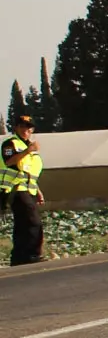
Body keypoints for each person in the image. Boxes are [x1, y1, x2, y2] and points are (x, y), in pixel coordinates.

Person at [3, 109, 43, 266]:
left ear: (32, 130)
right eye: (22, 126)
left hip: (29, 190)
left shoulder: (28, 146)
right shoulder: (11, 144)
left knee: (22, 224)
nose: (25, 130)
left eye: (28, 127)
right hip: (15, 190)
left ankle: (19, 257)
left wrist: (38, 191)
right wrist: (28, 151)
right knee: (33, 223)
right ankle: (32, 254)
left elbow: (28, 172)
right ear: (16, 128)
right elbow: (9, 161)